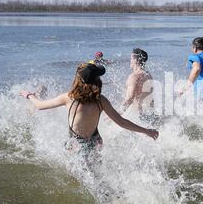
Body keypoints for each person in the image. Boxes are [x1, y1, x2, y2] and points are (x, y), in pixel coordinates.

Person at [20, 63, 159, 157]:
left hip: (76, 143)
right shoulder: (100, 100)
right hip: (96, 140)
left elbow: (39, 106)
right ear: (95, 81)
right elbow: (121, 122)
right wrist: (146, 131)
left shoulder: (69, 98)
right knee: (95, 173)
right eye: (98, 77)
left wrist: (29, 95)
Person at [121, 48, 159, 125]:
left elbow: (130, 98)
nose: (130, 61)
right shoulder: (148, 75)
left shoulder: (134, 76)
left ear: (136, 60)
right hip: (150, 115)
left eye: (131, 58)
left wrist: (118, 113)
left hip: (138, 117)